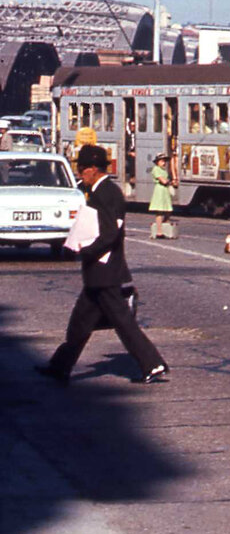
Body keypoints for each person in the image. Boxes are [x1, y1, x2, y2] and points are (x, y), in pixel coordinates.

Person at [36, 144, 169, 386]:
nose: (79, 174)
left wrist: (84, 250)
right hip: (97, 273)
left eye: (82, 169)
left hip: (106, 270)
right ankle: (60, 367)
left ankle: (153, 364)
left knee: (123, 323)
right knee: (80, 324)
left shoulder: (108, 193)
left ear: (94, 169)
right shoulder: (96, 191)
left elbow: (109, 234)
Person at [147, 151, 177, 239]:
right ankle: (159, 231)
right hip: (159, 190)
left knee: (168, 210)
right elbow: (163, 180)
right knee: (159, 211)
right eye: (162, 161)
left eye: (164, 161)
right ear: (157, 162)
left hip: (165, 190)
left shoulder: (163, 170)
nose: (164, 162)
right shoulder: (156, 169)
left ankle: (165, 227)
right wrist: (170, 181)